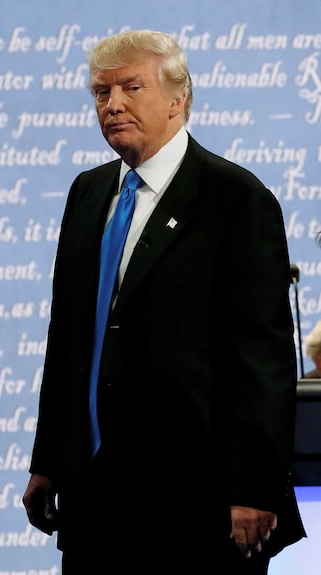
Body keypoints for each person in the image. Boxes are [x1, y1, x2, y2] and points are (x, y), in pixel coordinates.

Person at [23, 29, 304, 574]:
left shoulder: (236, 197)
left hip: (198, 508)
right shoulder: (87, 192)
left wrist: (253, 487)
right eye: (101, 93)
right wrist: (50, 459)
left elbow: (262, 363)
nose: (113, 104)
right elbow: (69, 341)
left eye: (131, 87)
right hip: (95, 500)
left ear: (178, 99)